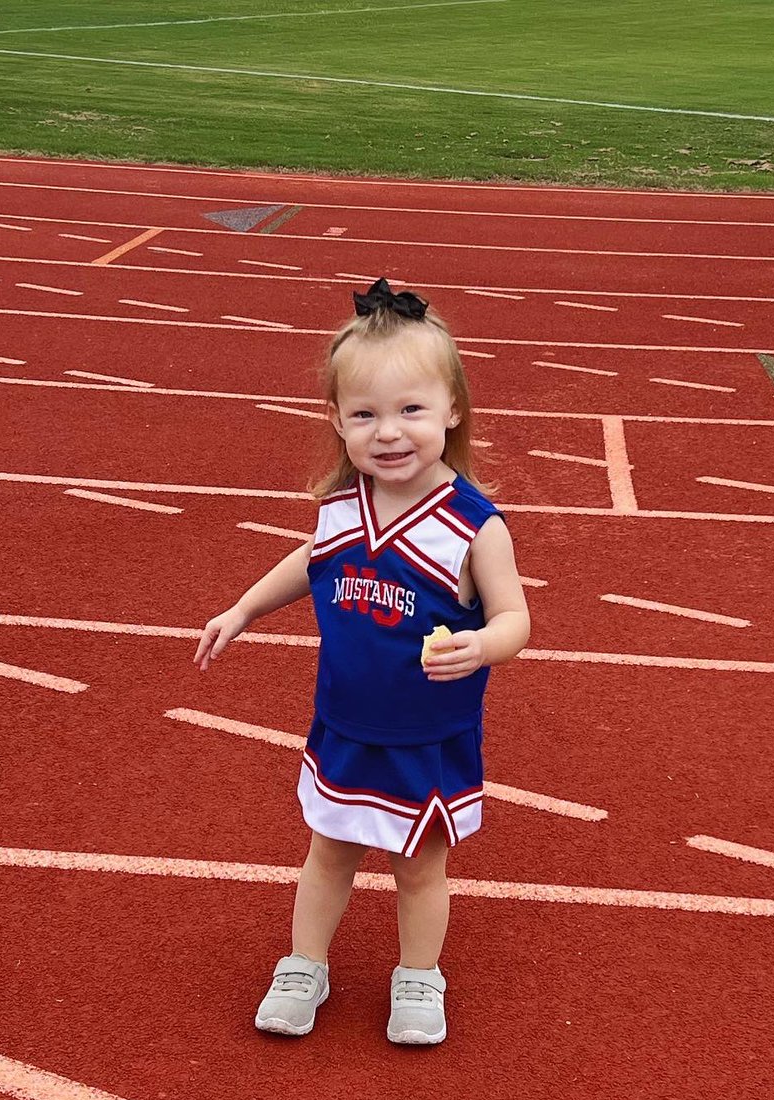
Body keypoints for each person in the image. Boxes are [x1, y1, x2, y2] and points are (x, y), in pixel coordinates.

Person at [193, 278, 530, 1045]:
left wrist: (485, 644)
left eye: (411, 410)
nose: (389, 432)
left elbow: (516, 617)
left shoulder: (473, 527)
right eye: (366, 414)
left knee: (419, 869)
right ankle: (304, 964)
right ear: (337, 420)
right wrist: (243, 609)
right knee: (328, 854)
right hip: (345, 728)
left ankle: (419, 976)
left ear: (453, 409)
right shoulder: (343, 509)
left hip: (427, 738)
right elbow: (310, 560)